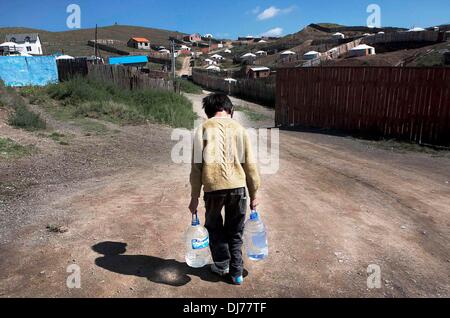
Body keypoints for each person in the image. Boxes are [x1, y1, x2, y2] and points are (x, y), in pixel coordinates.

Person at [189, 93, 260, 285]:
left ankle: (222, 265)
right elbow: (250, 165)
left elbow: (197, 167)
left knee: (214, 227)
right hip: (237, 188)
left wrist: (194, 197)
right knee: (235, 230)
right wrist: (254, 194)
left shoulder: (202, 129)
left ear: (208, 113)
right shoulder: (240, 130)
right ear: (230, 110)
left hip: (213, 189)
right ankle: (237, 273)